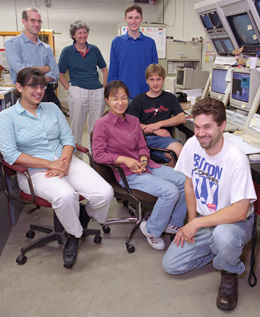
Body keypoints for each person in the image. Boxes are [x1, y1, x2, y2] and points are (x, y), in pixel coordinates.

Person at [0, 67, 114, 268]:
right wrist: (50, 164)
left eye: (42, 86)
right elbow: (10, 155)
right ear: (19, 87)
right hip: (33, 171)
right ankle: (74, 234)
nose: (39, 91)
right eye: (33, 86)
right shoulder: (6, 117)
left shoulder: (52, 108)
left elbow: (68, 139)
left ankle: (84, 214)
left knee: (105, 193)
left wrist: (64, 163)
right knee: (65, 195)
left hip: (65, 161)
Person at [162, 97, 256, 311]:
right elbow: (189, 184)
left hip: (234, 222)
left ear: (222, 126)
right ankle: (221, 255)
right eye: (197, 126)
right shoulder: (193, 144)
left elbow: (241, 211)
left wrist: (196, 225)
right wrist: (193, 220)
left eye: (207, 127)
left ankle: (229, 272)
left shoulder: (236, 159)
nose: (200, 133)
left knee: (224, 237)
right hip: (205, 220)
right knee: (171, 265)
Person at [92, 80, 187, 250]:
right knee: (170, 192)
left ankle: (172, 223)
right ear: (107, 100)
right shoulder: (101, 124)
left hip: (147, 166)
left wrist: (143, 159)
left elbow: (143, 146)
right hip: (127, 174)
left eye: (124, 98)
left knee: (186, 182)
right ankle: (151, 229)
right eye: (115, 99)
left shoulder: (134, 121)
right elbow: (98, 155)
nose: (120, 103)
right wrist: (125, 160)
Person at [59, 19, 108, 150]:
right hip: (77, 90)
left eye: (85, 32)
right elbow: (60, 74)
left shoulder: (94, 49)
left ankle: (95, 157)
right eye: (79, 33)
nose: (83, 35)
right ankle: (76, 157)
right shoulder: (67, 51)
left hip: (97, 91)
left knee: (96, 128)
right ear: (73, 35)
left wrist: (104, 87)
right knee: (77, 127)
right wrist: (70, 89)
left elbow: (104, 69)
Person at [4, 8, 61, 109]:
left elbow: (55, 74)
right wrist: (45, 69)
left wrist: (32, 76)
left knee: (55, 121)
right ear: (24, 21)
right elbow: (22, 70)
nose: (36, 24)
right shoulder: (12, 44)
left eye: (39, 21)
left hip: (47, 93)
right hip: (25, 94)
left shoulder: (46, 48)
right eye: (33, 20)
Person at [130, 64, 186, 166]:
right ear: (147, 81)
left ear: (163, 80)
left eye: (158, 79)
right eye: (152, 79)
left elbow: (181, 118)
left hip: (164, 141)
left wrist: (159, 124)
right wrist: (156, 130)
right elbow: (132, 123)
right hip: (143, 139)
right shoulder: (138, 100)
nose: (155, 83)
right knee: (178, 152)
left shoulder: (170, 98)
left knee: (181, 153)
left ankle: (168, 178)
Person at [108, 4, 158, 101]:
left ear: (141, 19)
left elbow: (155, 72)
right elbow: (113, 72)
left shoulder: (150, 43)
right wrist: (113, 95)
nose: (134, 21)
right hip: (123, 97)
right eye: (130, 18)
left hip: (146, 95)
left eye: (137, 18)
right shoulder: (117, 42)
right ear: (125, 19)